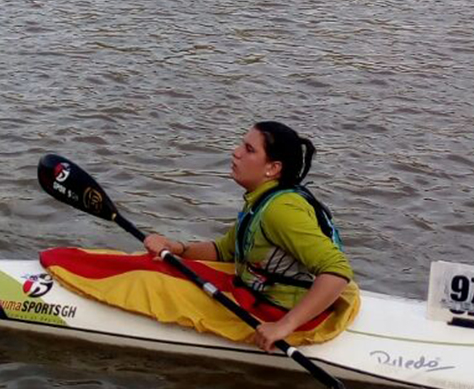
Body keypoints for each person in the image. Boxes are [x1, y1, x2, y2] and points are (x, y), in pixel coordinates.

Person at [143, 122, 354, 353]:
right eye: (241, 144)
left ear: (273, 168)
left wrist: (283, 326)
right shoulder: (264, 199)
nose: (236, 152)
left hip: (277, 312)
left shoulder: (281, 209)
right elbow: (226, 250)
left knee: (151, 283)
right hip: (256, 295)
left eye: (249, 149)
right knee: (161, 266)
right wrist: (178, 249)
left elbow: (337, 270)